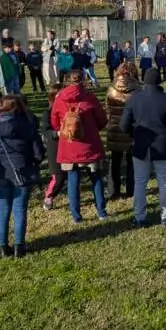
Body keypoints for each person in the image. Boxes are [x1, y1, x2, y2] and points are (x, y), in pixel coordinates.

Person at [0, 94, 44, 258]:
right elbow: (38, 153)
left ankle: (3, 248)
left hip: (0, 173)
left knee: (2, 209)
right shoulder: (27, 125)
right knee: (19, 210)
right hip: (22, 171)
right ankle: (19, 247)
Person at [120, 68, 166, 227]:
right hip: (162, 145)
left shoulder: (134, 98)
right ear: (160, 81)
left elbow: (123, 125)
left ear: (143, 80)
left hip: (141, 146)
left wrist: (134, 135)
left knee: (140, 183)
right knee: (164, 182)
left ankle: (140, 217)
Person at [51, 70, 109, 223]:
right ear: (83, 80)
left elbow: (54, 122)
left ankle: (76, 215)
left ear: (67, 81)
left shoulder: (59, 99)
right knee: (96, 178)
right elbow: (102, 120)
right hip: (90, 144)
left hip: (69, 145)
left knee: (73, 179)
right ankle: (101, 211)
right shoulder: (90, 98)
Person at [105, 62, 140, 200]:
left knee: (115, 160)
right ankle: (131, 189)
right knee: (132, 161)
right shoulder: (137, 90)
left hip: (115, 128)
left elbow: (107, 110)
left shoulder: (111, 90)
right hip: (131, 129)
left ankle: (113, 190)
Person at [41, 86, 65, 211]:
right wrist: (57, 134)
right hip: (54, 145)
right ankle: (49, 196)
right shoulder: (47, 113)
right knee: (58, 176)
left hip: (68, 145)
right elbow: (45, 132)